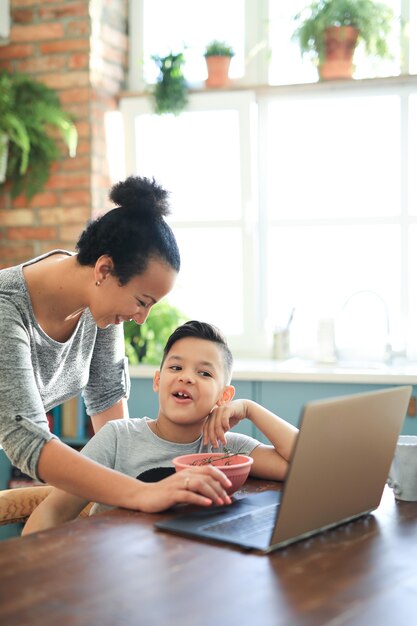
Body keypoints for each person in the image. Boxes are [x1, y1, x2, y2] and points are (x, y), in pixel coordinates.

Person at [0, 177, 232, 515]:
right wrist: (139, 493)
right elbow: (29, 440)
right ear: (104, 269)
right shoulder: (7, 309)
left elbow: (109, 406)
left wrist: (138, 493)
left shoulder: (99, 305)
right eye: (141, 301)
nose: (141, 318)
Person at [23, 320, 299, 534]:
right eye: (176, 368)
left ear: (224, 397)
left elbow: (307, 464)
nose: (187, 378)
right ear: (157, 380)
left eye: (204, 373)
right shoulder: (118, 437)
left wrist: (250, 408)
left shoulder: (227, 447)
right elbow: (53, 513)